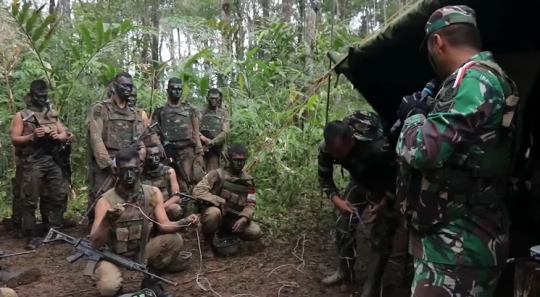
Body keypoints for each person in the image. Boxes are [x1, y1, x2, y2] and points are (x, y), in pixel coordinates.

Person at [395, 6, 517, 296]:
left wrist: (413, 115)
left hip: (458, 247)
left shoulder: (473, 82)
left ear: (438, 42)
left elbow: (422, 151)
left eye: (428, 49)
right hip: (458, 241)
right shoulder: (488, 78)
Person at [90, 147, 198, 297]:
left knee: (174, 240)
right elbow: (95, 242)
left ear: (140, 167)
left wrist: (184, 222)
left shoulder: (152, 193)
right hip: (113, 256)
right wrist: (107, 220)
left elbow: (164, 225)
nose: (129, 175)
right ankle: (117, 289)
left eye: (133, 169)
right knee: (109, 288)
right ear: (116, 170)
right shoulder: (105, 201)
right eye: (124, 170)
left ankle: (151, 282)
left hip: (141, 252)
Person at [318, 111, 398, 297]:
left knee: (382, 235)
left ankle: (371, 287)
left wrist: (386, 200)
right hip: (359, 182)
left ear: (352, 140)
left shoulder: (379, 147)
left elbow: (398, 175)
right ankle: (344, 271)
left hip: (385, 185)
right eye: (335, 152)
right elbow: (324, 177)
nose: (339, 156)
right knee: (343, 225)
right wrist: (337, 201)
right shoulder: (326, 148)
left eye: (342, 151)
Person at [10, 79, 69, 250]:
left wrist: (58, 136)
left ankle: (54, 228)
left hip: (52, 160)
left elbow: (63, 132)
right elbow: (15, 139)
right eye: (38, 97)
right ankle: (30, 233)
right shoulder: (22, 115)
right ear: (31, 95)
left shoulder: (51, 113)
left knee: (58, 194)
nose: (42, 100)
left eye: (44, 97)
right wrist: (32, 136)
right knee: (29, 199)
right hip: (32, 161)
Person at [86, 72, 148, 225]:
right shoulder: (101, 108)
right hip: (107, 164)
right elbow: (96, 138)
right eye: (124, 85)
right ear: (114, 86)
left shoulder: (134, 114)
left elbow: (140, 140)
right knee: (100, 199)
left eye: (130, 86)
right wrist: (108, 163)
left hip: (128, 165)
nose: (128, 89)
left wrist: (141, 155)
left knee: (129, 198)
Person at [192, 144, 262, 259]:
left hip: (233, 217)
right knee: (213, 213)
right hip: (217, 214)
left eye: (242, 160)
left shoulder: (248, 180)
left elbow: (250, 203)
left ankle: (227, 233)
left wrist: (244, 218)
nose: (239, 163)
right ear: (229, 159)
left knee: (255, 232)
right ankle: (207, 244)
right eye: (236, 160)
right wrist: (218, 200)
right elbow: (198, 191)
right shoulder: (217, 174)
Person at [151, 77, 203, 190]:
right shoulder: (161, 110)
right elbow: (152, 131)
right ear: (168, 90)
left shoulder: (190, 109)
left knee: (186, 181)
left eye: (179, 89)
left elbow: (195, 131)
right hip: (167, 152)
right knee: (168, 181)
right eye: (174, 89)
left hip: (186, 151)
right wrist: (158, 145)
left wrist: (199, 151)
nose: (177, 91)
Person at [141, 144, 183, 221]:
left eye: (157, 154)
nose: (155, 158)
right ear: (145, 157)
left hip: (164, 206)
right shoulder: (140, 173)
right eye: (151, 155)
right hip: (146, 209)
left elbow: (176, 197)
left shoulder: (168, 171)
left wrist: (160, 208)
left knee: (176, 209)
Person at [199, 88, 229, 172]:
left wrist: (211, 143)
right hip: (202, 149)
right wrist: (204, 139)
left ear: (219, 99)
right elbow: (194, 129)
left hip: (216, 150)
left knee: (214, 173)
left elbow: (225, 132)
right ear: (207, 98)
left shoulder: (223, 114)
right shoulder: (200, 113)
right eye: (211, 98)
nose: (214, 100)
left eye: (216, 98)